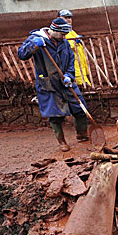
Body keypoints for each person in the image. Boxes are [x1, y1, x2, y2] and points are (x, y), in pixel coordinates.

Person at [18, 17, 87, 152]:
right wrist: (34, 46)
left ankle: (82, 134)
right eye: (62, 34)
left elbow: (71, 61)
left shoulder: (64, 43)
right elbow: (21, 54)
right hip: (48, 84)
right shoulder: (37, 38)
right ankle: (62, 142)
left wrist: (69, 75)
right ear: (54, 30)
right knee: (55, 115)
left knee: (80, 108)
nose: (64, 37)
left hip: (66, 82)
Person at [58, 9, 91, 88]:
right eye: (66, 18)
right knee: (83, 87)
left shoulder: (71, 31)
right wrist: (75, 42)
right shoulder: (60, 32)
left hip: (80, 66)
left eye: (69, 17)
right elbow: (64, 45)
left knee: (86, 86)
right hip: (74, 67)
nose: (69, 20)